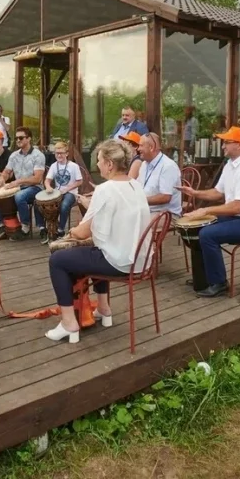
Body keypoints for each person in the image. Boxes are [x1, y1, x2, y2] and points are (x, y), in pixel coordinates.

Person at [46, 139, 151, 343]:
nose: (97, 164)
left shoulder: (105, 189)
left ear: (110, 164)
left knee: (57, 260)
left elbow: (82, 233)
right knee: (98, 249)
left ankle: (68, 323)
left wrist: (72, 231)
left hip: (120, 262)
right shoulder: (136, 185)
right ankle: (104, 309)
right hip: (142, 260)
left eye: (99, 160)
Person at [179, 127, 240, 298]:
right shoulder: (231, 164)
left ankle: (219, 283)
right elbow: (218, 192)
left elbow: (238, 207)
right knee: (197, 229)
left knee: (208, 234)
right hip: (239, 218)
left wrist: (205, 210)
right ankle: (203, 278)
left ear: (239, 145)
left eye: (226, 142)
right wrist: (195, 193)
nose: (223, 146)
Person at [0, 126, 45, 240]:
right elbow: (7, 172)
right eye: (16, 138)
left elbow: (37, 178)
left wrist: (18, 181)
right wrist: (1, 180)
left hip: (35, 187)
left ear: (29, 138)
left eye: (21, 138)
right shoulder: (14, 155)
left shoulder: (38, 155)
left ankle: (25, 227)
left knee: (19, 196)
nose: (18, 140)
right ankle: (2, 225)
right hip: (18, 187)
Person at [38, 141, 83, 243]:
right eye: (57, 153)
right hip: (58, 193)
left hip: (71, 193)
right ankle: (45, 228)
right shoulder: (54, 166)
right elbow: (47, 180)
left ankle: (60, 230)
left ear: (66, 153)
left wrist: (67, 189)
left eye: (61, 153)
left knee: (64, 205)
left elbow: (80, 181)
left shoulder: (73, 166)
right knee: (40, 204)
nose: (59, 155)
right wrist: (48, 187)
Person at [136, 133, 182, 218]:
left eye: (141, 146)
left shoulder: (168, 166)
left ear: (151, 147)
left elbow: (165, 197)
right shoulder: (144, 165)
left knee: (134, 222)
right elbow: (137, 187)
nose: (138, 149)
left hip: (166, 215)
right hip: (146, 210)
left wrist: (140, 200)